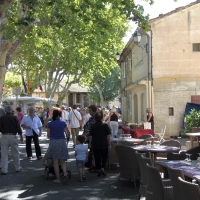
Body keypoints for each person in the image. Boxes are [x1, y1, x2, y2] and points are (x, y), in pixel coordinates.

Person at [46, 109, 70, 183]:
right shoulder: (63, 122)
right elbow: (68, 133)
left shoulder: (50, 123)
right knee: (62, 160)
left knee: (55, 161)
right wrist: (67, 138)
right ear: (60, 114)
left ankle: (58, 179)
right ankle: (65, 173)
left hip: (54, 142)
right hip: (62, 141)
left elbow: (48, 135)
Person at [0, 106, 23, 174]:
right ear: (11, 111)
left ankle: (4, 170)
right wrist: (21, 135)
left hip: (4, 135)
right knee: (15, 153)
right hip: (13, 135)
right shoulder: (14, 117)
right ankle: (17, 168)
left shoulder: (2, 118)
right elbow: (18, 127)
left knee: (4, 154)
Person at [89, 111, 111, 177]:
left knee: (97, 157)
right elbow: (108, 136)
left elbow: (90, 136)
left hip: (95, 144)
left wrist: (90, 144)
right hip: (104, 143)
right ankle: (103, 168)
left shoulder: (93, 126)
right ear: (102, 117)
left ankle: (99, 169)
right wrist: (109, 144)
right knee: (104, 156)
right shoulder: (105, 125)